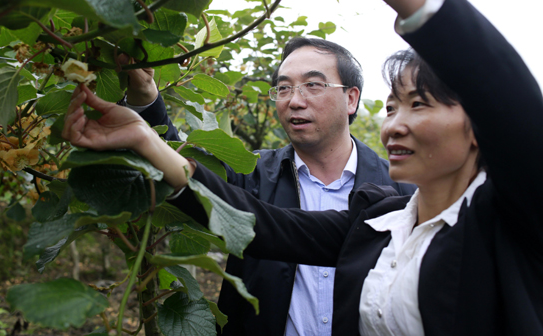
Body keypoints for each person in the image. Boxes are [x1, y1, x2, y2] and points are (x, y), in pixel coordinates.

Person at [63, 0, 543, 334]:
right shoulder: (382, 220)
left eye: (420, 104)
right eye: (393, 106)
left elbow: (505, 94)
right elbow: (255, 223)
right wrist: (145, 136)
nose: (395, 122)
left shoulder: (506, 217)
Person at [120, 37, 415, 335]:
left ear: (351, 99)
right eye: (284, 88)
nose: (294, 100)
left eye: (313, 85)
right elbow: (182, 164)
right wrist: (145, 95)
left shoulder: (401, 192)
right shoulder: (250, 171)